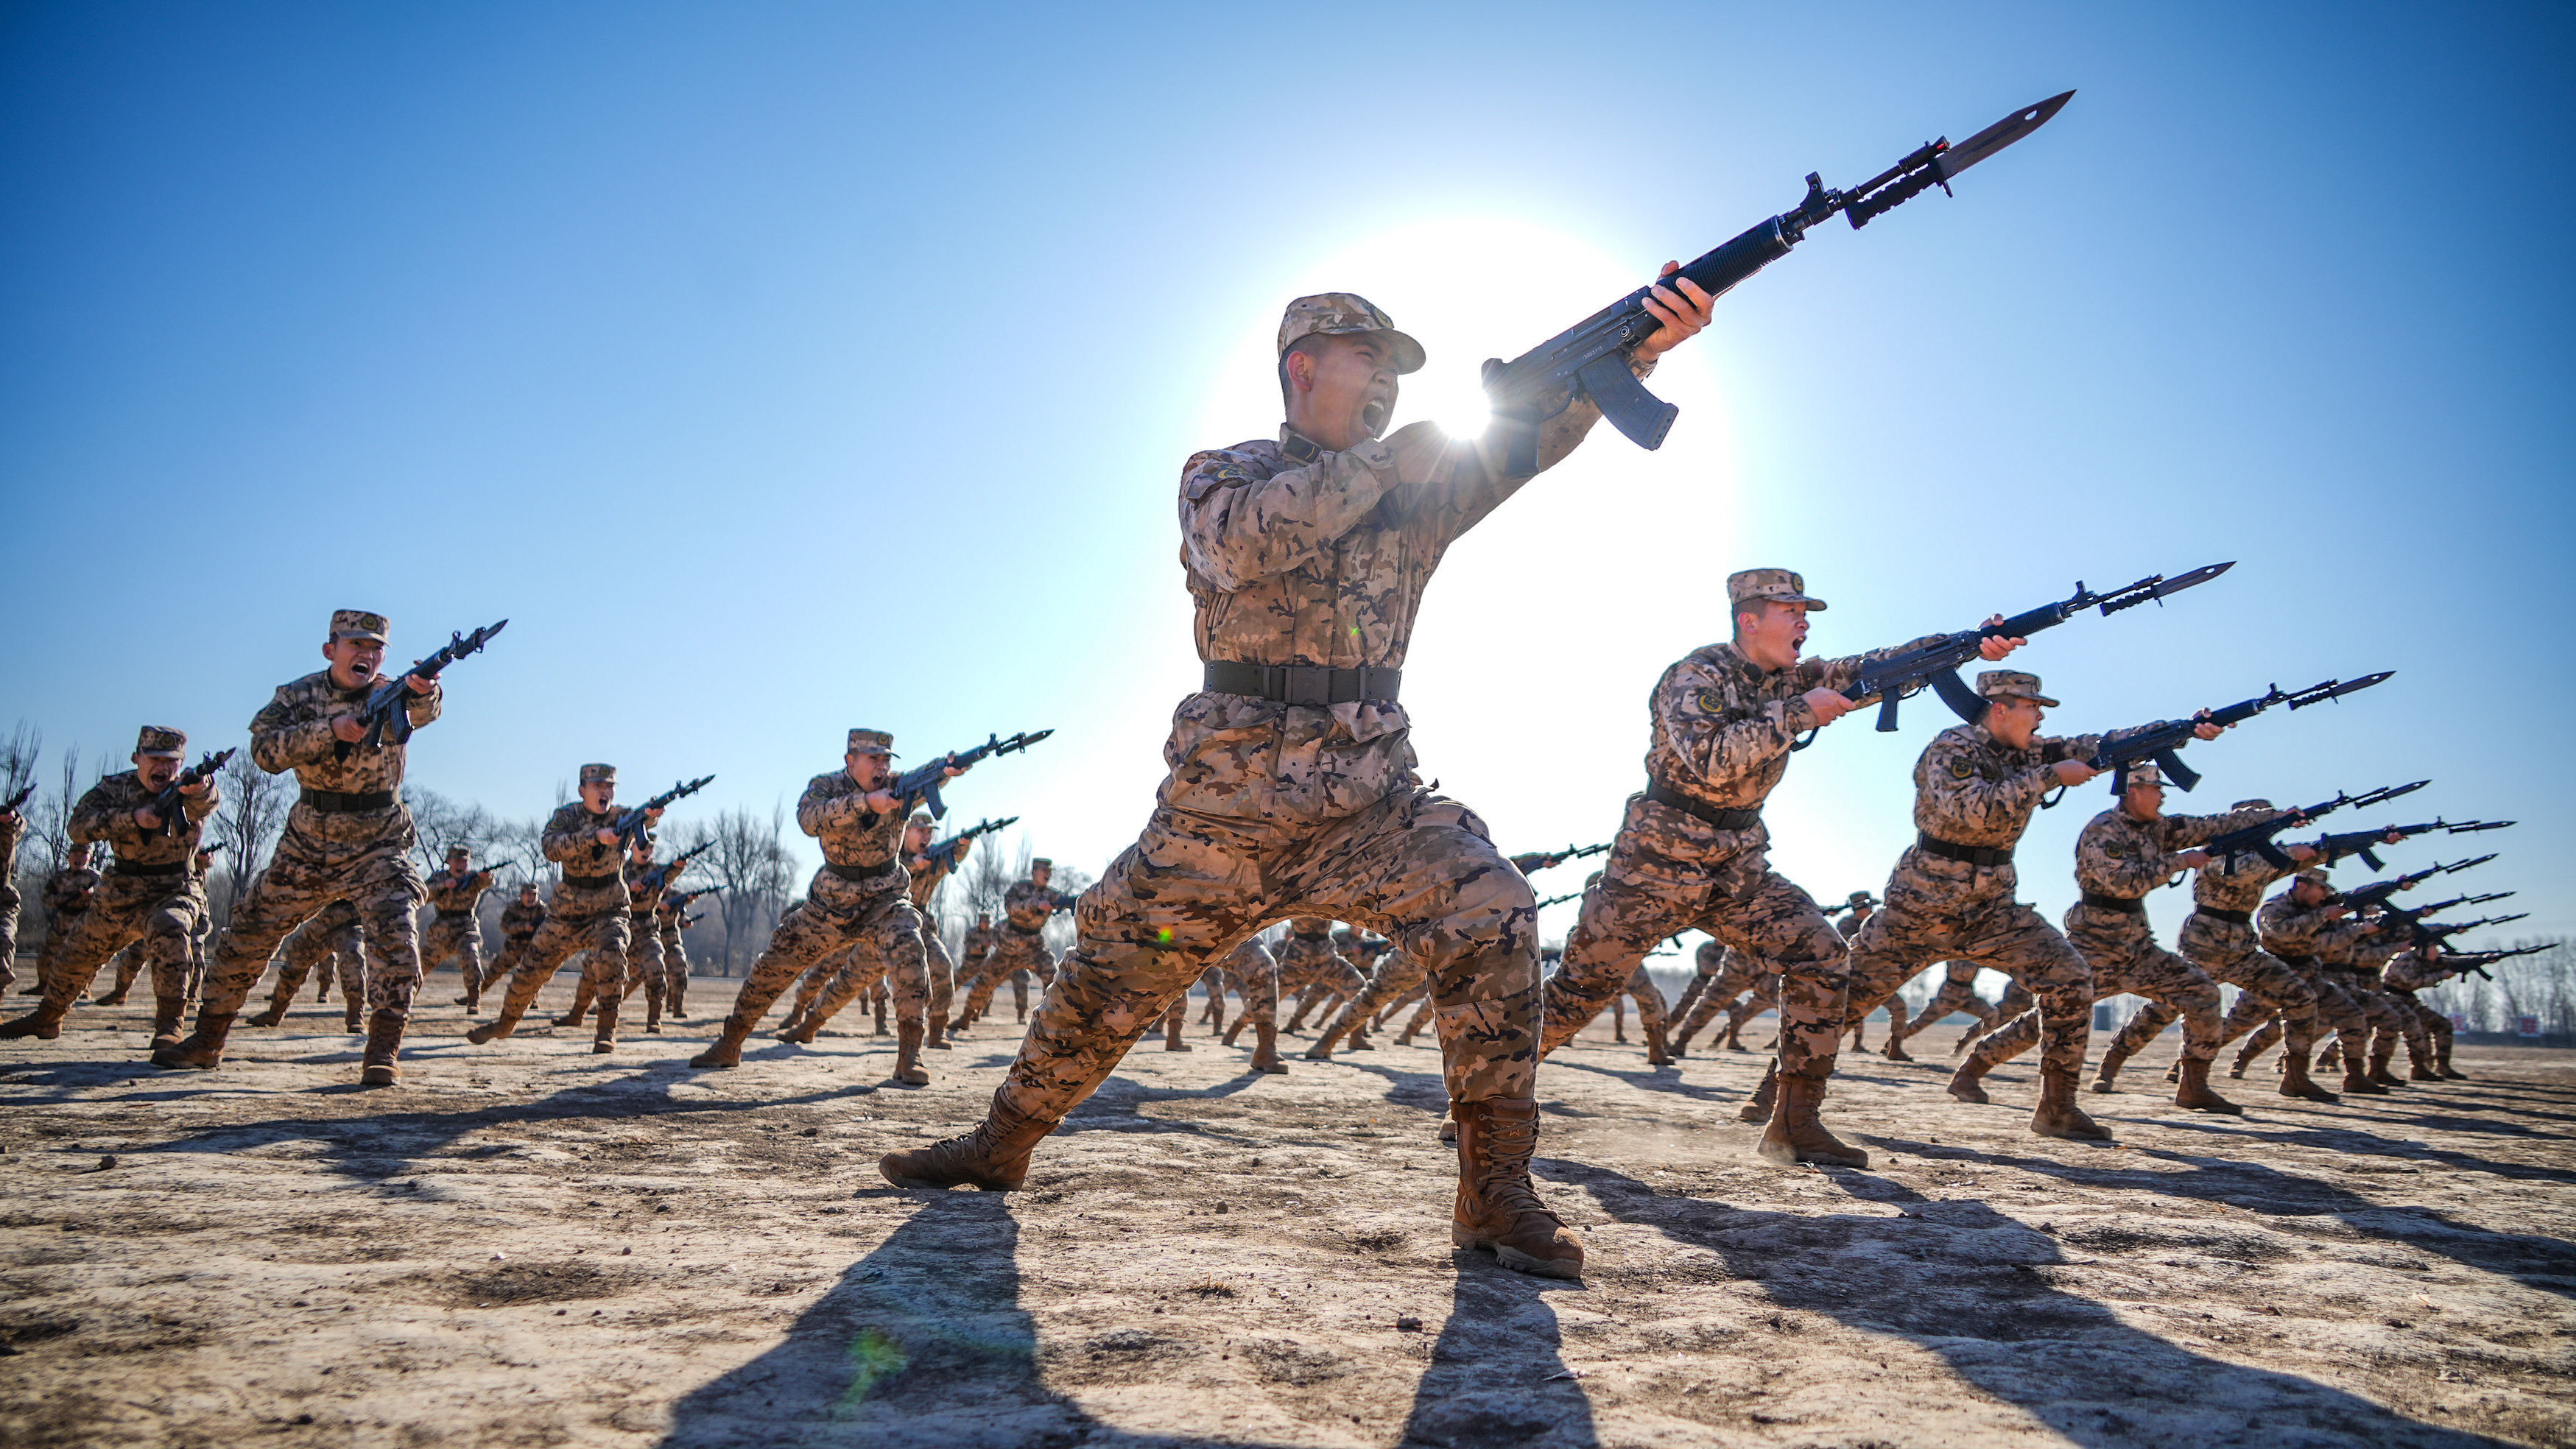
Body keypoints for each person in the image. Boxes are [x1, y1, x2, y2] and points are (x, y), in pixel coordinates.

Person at [879, 278, 1717, 1282]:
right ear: (1303, 367)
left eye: (1396, 375)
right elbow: (1238, 546)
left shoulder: (1416, 488)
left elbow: (1524, 441)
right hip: (1222, 811)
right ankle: (1001, 1141)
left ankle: (1494, 1192)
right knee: (1111, 970)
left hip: (1366, 803)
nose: (1383, 389)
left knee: (1492, 906)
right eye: (1368, 362)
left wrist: (1628, 359)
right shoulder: (1223, 473)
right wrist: (1380, 464)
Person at [1541, 570, 2019, 1167]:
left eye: (1805, 611)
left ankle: (1794, 1123)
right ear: (1749, 618)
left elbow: (1875, 665)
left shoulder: (1796, 678)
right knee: (1575, 995)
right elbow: (1712, 760)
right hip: (1655, 866)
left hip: (1736, 868)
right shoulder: (1697, 675)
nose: (1804, 621)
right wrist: (1796, 714)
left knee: (1822, 955)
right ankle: (1484, 1104)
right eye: (1791, 610)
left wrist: (1969, 644)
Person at [1835, 671, 2220, 1140]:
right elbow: (1973, 808)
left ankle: (2057, 1107)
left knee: (2069, 978)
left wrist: (2179, 730)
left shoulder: (2030, 752)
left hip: (1993, 909)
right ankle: (1781, 1098)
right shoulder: (1953, 749)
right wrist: (2049, 777)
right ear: (2001, 708)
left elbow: (2096, 745)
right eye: (2032, 707)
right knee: (1840, 999)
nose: (2040, 716)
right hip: (1922, 906)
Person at [158, 610, 443, 1085]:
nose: (367, 655)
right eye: (357, 645)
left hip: (379, 839)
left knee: (397, 934)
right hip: (309, 839)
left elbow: (425, 711)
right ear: (331, 649)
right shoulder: (297, 696)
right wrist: (330, 730)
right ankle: (208, 1040)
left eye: (376, 648)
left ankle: (382, 1051)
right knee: (250, 929)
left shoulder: (390, 694)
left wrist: (424, 690)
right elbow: (264, 751)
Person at [1995, 761, 2273, 1111]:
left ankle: (2193, 1086)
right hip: (2095, 946)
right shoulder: (2103, 831)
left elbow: (2212, 826)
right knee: (2053, 1017)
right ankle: (1977, 1065)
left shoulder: (2157, 830)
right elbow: (2127, 882)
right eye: (2156, 790)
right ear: (2133, 791)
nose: (2161, 798)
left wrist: (2273, 818)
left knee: (2201, 992)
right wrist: (2180, 862)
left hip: (2137, 948)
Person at [687, 731, 959, 1084]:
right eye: (873, 759)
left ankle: (910, 1055)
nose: (882, 766)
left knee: (909, 948)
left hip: (885, 899)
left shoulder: (900, 787)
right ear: (850, 761)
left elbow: (927, 776)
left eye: (886, 759)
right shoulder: (825, 787)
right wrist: (867, 803)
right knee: (775, 962)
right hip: (832, 902)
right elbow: (808, 820)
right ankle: (730, 1042)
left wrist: (947, 770)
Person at [1, 727, 217, 1046]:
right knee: (74, 955)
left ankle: (171, 1025)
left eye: (171, 761)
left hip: (173, 887)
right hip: (120, 890)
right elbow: (78, 828)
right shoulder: (114, 789)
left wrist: (202, 787)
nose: (163, 767)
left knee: (169, 927)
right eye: (154, 759)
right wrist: (132, 818)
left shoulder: (190, 790)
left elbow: (207, 800)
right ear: (137, 758)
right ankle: (48, 1016)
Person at [465, 765, 660, 1053]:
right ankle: (505, 1024)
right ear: (583, 790)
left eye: (609, 786)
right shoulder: (567, 816)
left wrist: (651, 816)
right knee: (530, 971)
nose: (604, 792)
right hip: (566, 913)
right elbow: (550, 847)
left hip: (610, 909)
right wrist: (595, 837)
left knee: (612, 958)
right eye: (597, 786)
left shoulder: (622, 816)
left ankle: (606, 1032)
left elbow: (645, 823)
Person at [423, 847, 501, 1015]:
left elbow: (486, 882)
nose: (462, 864)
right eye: (458, 860)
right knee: (421, 965)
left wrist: (487, 877)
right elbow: (424, 894)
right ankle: (404, 999)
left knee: (471, 956)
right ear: (449, 861)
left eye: (465, 860)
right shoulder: (439, 877)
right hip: (442, 930)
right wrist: (444, 885)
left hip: (466, 927)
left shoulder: (472, 878)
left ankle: (474, 999)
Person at [28, 843, 102, 1002]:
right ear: (68, 856)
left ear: (90, 857)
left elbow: (106, 899)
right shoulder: (58, 878)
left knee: (84, 958)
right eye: (75, 854)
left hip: (85, 924)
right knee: (46, 954)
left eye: (83, 854)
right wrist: (67, 899)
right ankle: (43, 985)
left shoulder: (96, 878)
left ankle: (84, 989)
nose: (78, 858)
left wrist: (90, 896)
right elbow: (46, 898)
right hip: (61, 923)